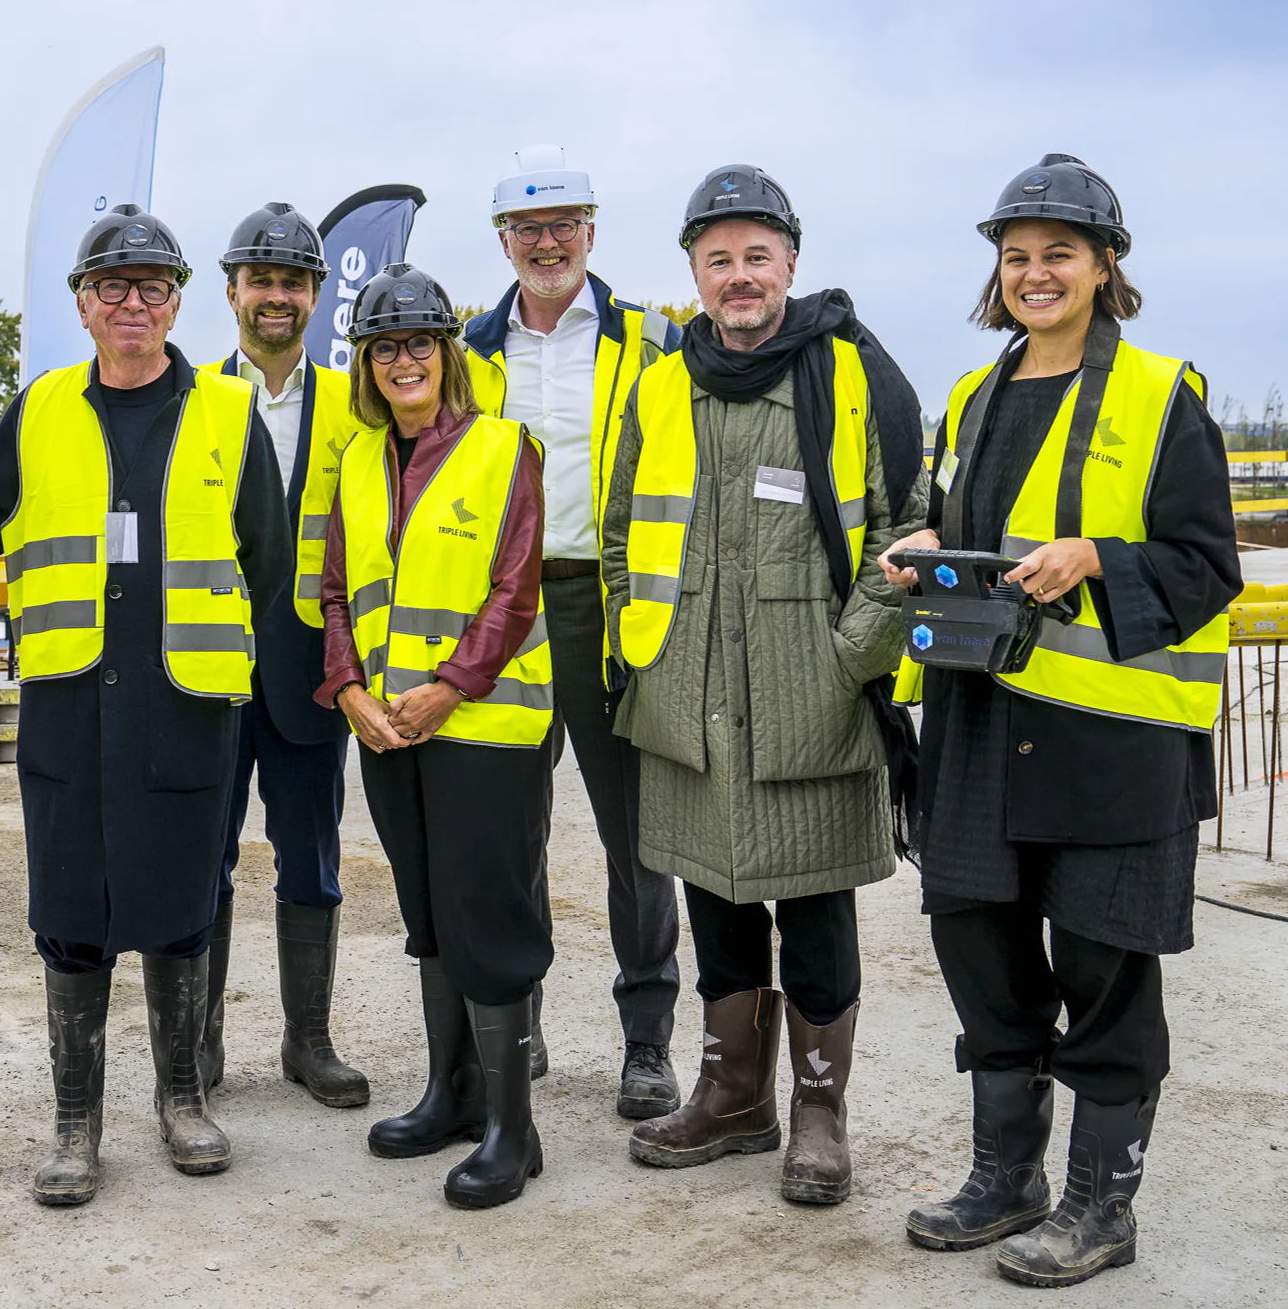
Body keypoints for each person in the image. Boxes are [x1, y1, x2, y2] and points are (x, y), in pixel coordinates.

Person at [0, 205, 292, 1208]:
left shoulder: (228, 414)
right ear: (83, 307)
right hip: (67, 704)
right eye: (112, 287)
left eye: (151, 286)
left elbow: (265, 563)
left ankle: (183, 1099)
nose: (132, 302)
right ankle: (76, 1123)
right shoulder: (43, 407)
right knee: (71, 910)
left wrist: (200, 640)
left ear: (178, 301)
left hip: (184, 702)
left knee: (183, 906)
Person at [880, 154, 1237, 1287]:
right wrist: (928, 552)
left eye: (1059, 255)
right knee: (978, 946)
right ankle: (1008, 1176)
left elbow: (1205, 563)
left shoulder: (1161, 393)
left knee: (1104, 966)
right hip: (982, 730)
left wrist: (1103, 559)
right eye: (1017, 257)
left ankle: (1100, 1205)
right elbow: (975, 545)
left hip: (1109, 743)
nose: (1035, 274)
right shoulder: (975, 399)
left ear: (1105, 266)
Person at [604, 164, 926, 1204]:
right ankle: (735, 1096)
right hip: (687, 683)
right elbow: (620, 535)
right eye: (718, 259)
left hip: (810, 686)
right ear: (692, 270)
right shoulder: (659, 379)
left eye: (756, 256)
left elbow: (905, 525)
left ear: (791, 260)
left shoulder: (848, 373)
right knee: (716, 898)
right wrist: (641, 639)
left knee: (817, 904)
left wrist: (852, 654)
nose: (738, 277)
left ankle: (820, 1112)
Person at [315, 261, 554, 1209]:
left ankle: (512, 1130)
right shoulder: (357, 464)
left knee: (488, 919)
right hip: (389, 733)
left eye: (417, 343)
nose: (400, 360)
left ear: (446, 354)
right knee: (431, 916)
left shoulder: (503, 447)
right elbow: (337, 594)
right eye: (383, 347)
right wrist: (345, 688)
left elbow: (515, 588)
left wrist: (451, 686)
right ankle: (450, 1095)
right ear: (367, 365)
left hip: (484, 728)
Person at [460, 146, 684, 1118]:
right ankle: (523, 1019)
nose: (547, 242)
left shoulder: (653, 341)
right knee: (510, 833)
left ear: (592, 231)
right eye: (528, 228)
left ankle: (646, 1043)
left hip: (610, 605)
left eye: (565, 224)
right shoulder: (467, 348)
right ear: (503, 240)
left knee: (637, 836)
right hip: (505, 609)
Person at [197, 203, 369, 1107]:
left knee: (312, 862)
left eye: (293, 282)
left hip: (310, 675)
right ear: (231, 291)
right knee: (204, 863)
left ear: (314, 295)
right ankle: (200, 1043)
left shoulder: (356, 405)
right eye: (261, 280)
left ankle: (309, 1042)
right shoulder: (193, 400)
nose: (277, 296)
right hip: (212, 677)